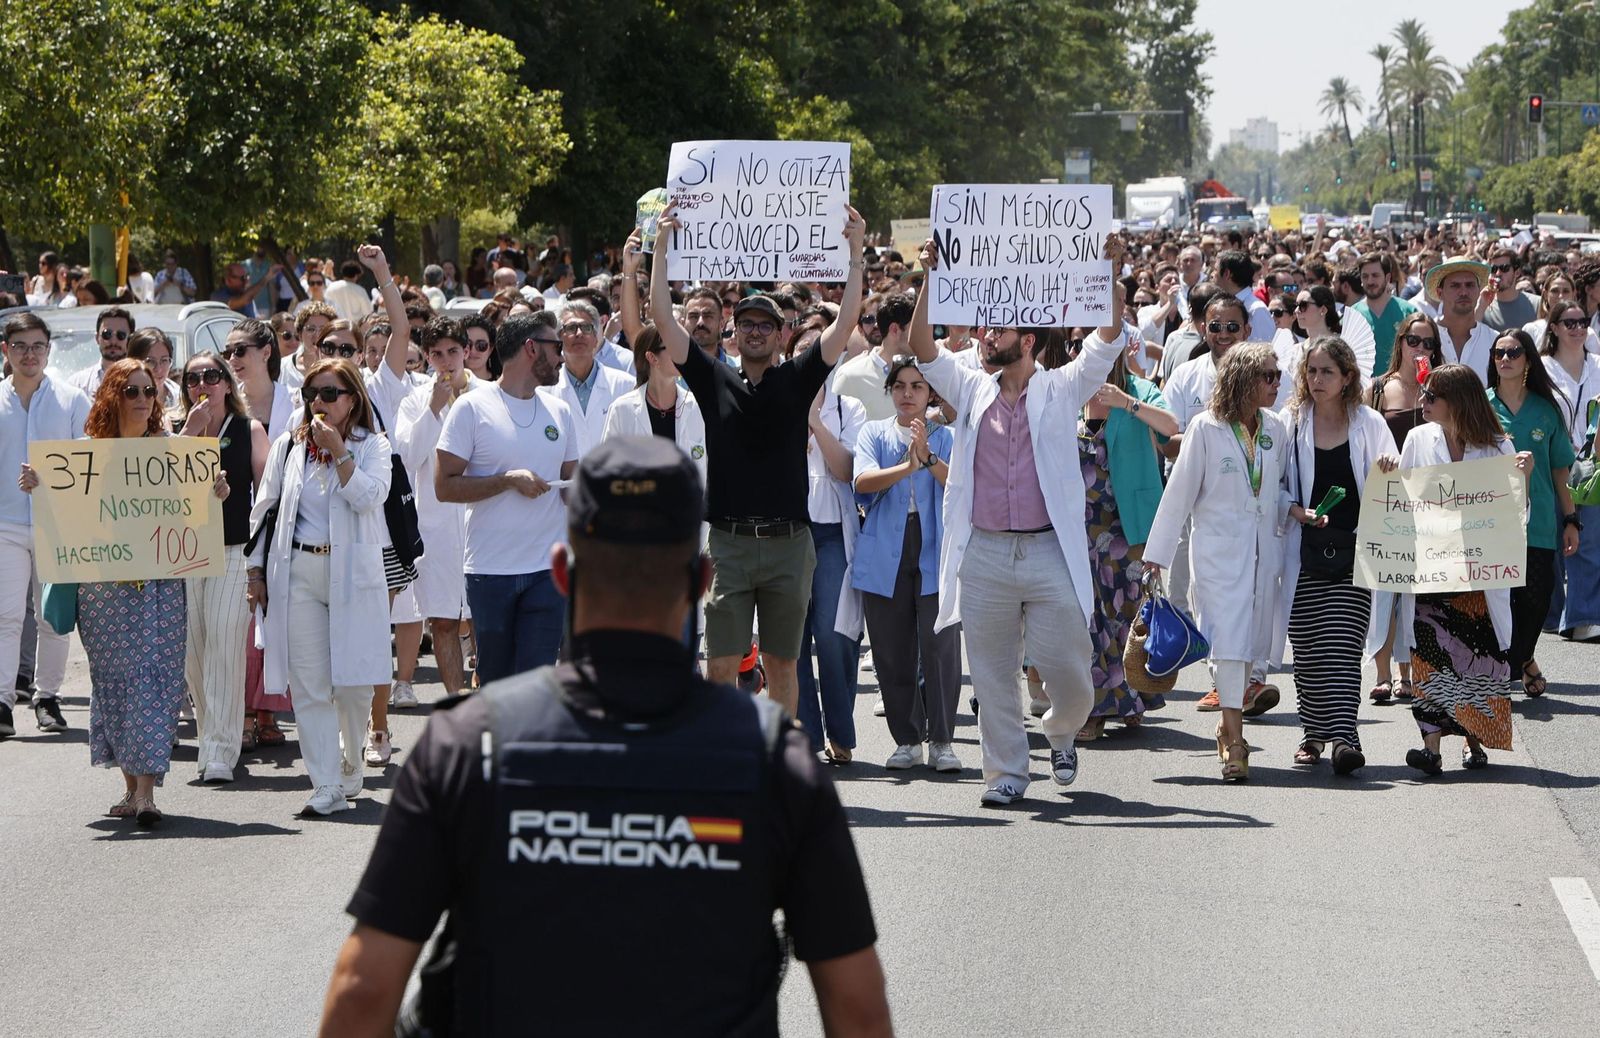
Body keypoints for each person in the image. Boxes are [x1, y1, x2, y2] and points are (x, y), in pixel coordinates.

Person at [318, 436, 889, 1037]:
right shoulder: (775, 758)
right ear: (701, 578)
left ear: (562, 570)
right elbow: (857, 1010)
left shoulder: (467, 743)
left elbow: (362, 992)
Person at [907, 234, 1129, 806]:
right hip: (983, 551)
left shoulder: (1062, 387)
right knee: (991, 673)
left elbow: (1106, 339)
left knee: (1074, 675)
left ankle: (1060, 731)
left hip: (1047, 551)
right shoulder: (970, 383)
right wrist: (932, 275)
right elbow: (920, 347)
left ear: (1027, 340)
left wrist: (1109, 270)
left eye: (999, 330)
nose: (987, 337)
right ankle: (1006, 773)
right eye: (986, 329)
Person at [649, 205, 868, 715]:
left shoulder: (799, 376)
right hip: (728, 546)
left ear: (781, 334)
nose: (754, 331)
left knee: (783, 667)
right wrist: (660, 247)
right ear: (732, 331)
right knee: (721, 666)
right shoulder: (711, 378)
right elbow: (662, 316)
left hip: (791, 545)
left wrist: (856, 252)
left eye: (765, 324)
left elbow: (848, 321)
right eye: (745, 322)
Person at [24, 360, 227, 824]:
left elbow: (194, 515)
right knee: (115, 683)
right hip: (103, 590)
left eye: (148, 391)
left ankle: (147, 793)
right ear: (112, 395)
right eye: (131, 390)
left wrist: (213, 492)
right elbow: (61, 517)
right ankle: (130, 786)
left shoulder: (171, 452)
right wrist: (37, 486)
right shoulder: (83, 455)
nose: (141, 399)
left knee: (154, 678)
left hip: (159, 584)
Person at [247, 359, 394, 817]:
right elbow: (264, 509)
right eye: (313, 393)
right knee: (309, 684)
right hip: (298, 574)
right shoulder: (289, 449)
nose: (319, 403)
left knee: (352, 686)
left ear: (352, 399)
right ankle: (325, 782)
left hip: (351, 574)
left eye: (330, 393)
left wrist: (341, 452)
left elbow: (371, 496)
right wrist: (256, 572)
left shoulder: (374, 446)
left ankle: (351, 761)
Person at [1144, 342, 1289, 782]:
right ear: (1243, 378)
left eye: (1278, 374)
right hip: (1218, 556)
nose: (1276, 382)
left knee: (1249, 650)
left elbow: (1276, 489)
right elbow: (1179, 495)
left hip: (1264, 554)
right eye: (1268, 375)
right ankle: (1236, 743)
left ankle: (1228, 731)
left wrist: (1295, 510)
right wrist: (1157, 557)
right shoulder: (1206, 429)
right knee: (1227, 646)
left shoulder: (1276, 428)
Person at [1380, 364, 1533, 774]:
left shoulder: (1499, 446)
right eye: (1423, 394)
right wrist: (1389, 477)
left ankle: (1472, 741)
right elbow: (1403, 498)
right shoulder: (1417, 438)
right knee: (1429, 653)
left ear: (1458, 402)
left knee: (1474, 655)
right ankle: (1430, 748)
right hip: (1432, 568)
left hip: (1477, 574)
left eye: (1432, 396)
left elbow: (1515, 515)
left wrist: (1524, 479)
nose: (1423, 402)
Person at [435, 312, 579, 682]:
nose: (562, 356)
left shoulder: (560, 411)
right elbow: (444, 486)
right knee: (497, 682)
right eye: (556, 347)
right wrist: (507, 481)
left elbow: (571, 487)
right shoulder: (472, 407)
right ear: (531, 348)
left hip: (547, 571)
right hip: (490, 572)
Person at [1275, 336, 1397, 774]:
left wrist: (1388, 469)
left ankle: (1345, 736)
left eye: (1327, 371)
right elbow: (1275, 482)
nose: (1317, 379)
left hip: (1355, 551)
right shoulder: (1290, 423)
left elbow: (1393, 475)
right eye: (1311, 371)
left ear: (1348, 377)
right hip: (1302, 550)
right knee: (1308, 650)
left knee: (1343, 646)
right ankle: (1312, 733)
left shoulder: (1369, 422)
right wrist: (1294, 509)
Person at [850, 356, 959, 770]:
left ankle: (943, 741)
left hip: (935, 548)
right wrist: (905, 466)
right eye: (900, 386)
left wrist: (928, 458)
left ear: (930, 393)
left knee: (940, 645)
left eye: (917, 386)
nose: (908, 394)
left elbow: (959, 485)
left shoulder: (946, 437)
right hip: (884, 551)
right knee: (891, 647)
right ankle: (907, 739)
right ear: (890, 391)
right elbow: (861, 481)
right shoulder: (873, 432)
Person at [176, 352, 269, 783]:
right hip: (183, 553)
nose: (202, 384)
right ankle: (208, 734)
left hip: (234, 550)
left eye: (212, 376)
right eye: (193, 378)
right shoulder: (176, 433)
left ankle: (219, 751)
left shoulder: (249, 430)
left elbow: (268, 495)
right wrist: (188, 436)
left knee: (225, 648)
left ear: (227, 384)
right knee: (194, 652)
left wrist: (261, 564)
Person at [1076, 348, 1178, 740]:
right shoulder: (1072, 394)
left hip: (1128, 523)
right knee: (1088, 617)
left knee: (1128, 612)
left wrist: (1126, 402)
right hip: (1081, 526)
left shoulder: (1140, 389)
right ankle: (1096, 707)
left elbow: (1170, 427)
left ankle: (1132, 696)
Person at [0, 313, 87, 738]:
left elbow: (87, 465)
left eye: (36, 346)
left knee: (53, 617)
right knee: (7, 614)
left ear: (49, 351)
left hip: (58, 525)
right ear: (5, 351)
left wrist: (47, 482)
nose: (28, 354)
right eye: (19, 346)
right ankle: (1, 701)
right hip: (5, 524)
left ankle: (47, 697)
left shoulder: (72, 399)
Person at [1486, 329, 1579, 697]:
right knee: (1499, 602)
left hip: (1538, 522)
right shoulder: (1481, 405)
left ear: (1527, 360)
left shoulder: (1546, 409)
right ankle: (1506, 670)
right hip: (1490, 524)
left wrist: (1571, 519)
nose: (1505, 359)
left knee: (1536, 600)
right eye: (1498, 353)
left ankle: (1522, 658)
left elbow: (1560, 471)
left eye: (1513, 352)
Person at [395, 318, 480, 702]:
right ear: (427, 358)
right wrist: (431, 408)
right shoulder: (413, 403)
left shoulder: (489, 396)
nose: (446, 361)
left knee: (484, 620)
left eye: (453, 352)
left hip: (483, 524)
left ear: (467, 352)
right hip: (437, 531)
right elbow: (409, 457)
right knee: (444, 621)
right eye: (437, 354)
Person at [1364, 312, 1446, 702]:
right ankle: (1382, 671)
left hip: (1431, 504)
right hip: (1387, 500)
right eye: (1414, 341)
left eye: (1429, 343)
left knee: (1416, 592)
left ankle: (1407, 672)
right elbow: (1361, 437)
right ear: (1400, 343)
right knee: (1383, 590)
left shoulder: (1441, 388)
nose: (1421, 349)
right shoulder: (1379, 389)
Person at [1541, 300, 1600, 639]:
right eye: (1569, 322)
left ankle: (1581, 618)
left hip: (1592, 466)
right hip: (1555, 462)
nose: (1577, 328)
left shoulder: (1598, 364)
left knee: (1587, 541)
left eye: (1583, 321)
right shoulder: (1542, 368)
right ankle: (1553, 614)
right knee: (1554, 542)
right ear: (1555, 328)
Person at [1426, 256, 1498, 381]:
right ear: (1440, 293)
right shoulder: (1424, 339)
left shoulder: (1494, 340)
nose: (1463, 292)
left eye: (1470, 285)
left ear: (1478, 291)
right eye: (1455, 286)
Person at [1350, 252, 1417, 376]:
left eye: (1375, 275)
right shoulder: (1352, 315)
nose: (1370, 281)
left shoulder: (1409, 312)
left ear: (1387, 278)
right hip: (1362, 390)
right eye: (1365, 276)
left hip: (1400, 389)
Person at [67, 305, 135, 396]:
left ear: (131, 339)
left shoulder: (143, 384)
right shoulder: (77, 384)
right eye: (107, 334)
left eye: (121, 335)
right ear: (97, 338)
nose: (113, 341)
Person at [126, 328, 183, 429]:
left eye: (164, 360)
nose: (159, 369)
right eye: (150, 361)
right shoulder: (125, 397)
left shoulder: (180, 397)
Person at [325, 259, 375, 324]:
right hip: (355, 327)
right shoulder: (360, 290)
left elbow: (326, 306)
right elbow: (368, 312)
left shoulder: (331, 287)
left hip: (335, 326)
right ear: (356, 275)